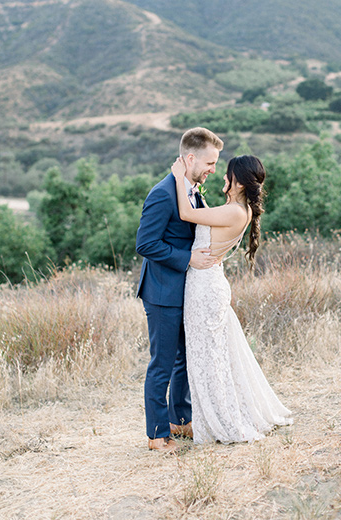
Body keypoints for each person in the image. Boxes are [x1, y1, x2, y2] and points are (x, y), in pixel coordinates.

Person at [171, 153, 293, 444]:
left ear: (239, 182)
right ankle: (211, 415)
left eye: (228, 175)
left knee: (209, 358)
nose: (223, 178)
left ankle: (222, 420)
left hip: (204, 288)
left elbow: (187, 214)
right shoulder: (235, 208)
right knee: (210, 355)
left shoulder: (236, 212)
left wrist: (179, 176)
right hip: (207, 283)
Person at [136, 127, 224, 452]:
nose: (213, 169)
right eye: (210, 163)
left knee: (183, 358)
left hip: (185, 292)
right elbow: (145, 243)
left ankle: (180, 419)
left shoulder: (191, 190)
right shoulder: (162, 193)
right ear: (190, 158)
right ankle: (157, 435)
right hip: (162, 292)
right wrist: (187, 258)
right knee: (161, 363)